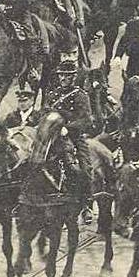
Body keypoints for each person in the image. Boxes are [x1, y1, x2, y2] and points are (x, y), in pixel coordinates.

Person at [43, 60, 96, 222]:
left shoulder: (80, 95)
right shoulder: (52, 94)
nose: (63, 79)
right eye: (61, 76)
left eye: (67, 76)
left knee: (84, 169)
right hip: (50, 137)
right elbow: (45, 112)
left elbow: (87, 120)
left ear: (74, 77)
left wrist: (67, 127)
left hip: (73, 137)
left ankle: (86, 205)